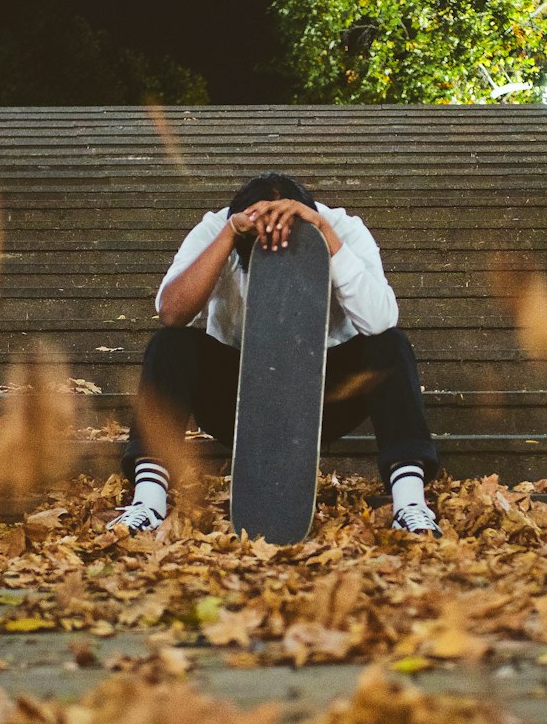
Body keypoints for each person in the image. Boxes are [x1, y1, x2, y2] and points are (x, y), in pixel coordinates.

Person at [109, 172, 440, 536]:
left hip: (324, 396)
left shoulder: (343, 229)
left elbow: (381, 320)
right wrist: (229, 236)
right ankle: (148, 502)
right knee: (170, 345)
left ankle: (410, 503)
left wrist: (323, 236)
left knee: (389, 345)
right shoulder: (215, 229)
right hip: (240, 402)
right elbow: (171, 312)